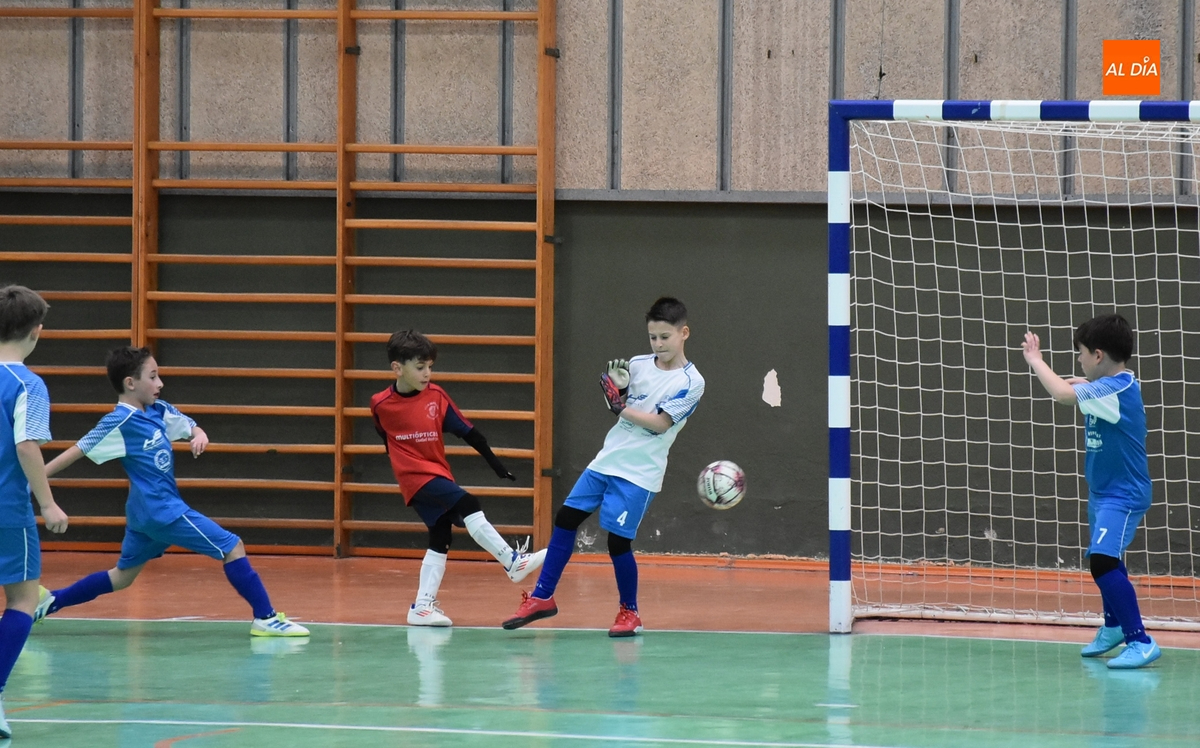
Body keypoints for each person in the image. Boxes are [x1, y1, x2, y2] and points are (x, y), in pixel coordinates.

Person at [33, 346, 309, 638]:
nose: (160, 383)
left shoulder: (158, 410)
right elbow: (76, 451)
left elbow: (189, 426)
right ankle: (266, 618)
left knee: (122, 577)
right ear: (130, 383)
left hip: (144, 516)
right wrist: (33, 480)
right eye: (152, 376)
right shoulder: (119, 422)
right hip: (163, 511)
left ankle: (51, 601)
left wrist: (199, 434)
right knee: (232, 547)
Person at [504, 297, 705, 637]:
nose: (657, 344)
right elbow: (621, 403)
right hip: (607, 459)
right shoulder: (639, 364)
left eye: (665, 337)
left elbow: (659, 424)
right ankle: (542, 597)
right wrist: (621, 389)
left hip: (639, 473)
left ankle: (630, 612)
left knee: (617, 543)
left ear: (683, 333)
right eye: (652, 337)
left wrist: (619, 406)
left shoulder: (691, 381)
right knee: (565, 519)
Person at [371, 330, 546, 627]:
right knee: (468, 503)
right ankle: (512, 561)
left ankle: (422, 607)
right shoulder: (380, 404)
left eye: (430, 367)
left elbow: (469, 433)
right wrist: (403, 467)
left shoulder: (436, 397)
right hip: (414, 477)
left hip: (436, 470)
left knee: (441, 535)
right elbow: (386, 437)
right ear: (397, 368)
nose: (427, 373)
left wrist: (496, 465)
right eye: (420, 367)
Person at [1022, 314, 1159, 669]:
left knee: (1101, 562)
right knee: (1109, 559)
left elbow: (1062, 394)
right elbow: (1082, 386)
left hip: (1123, 495)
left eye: (1081, 353)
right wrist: (1083, 381)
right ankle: (1113, 627)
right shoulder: (1117, 383)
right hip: (1103, 492)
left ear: (1098, 355)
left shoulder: (1111, 390)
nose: (1079, 360)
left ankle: (1140, 641)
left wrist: (1036, 360)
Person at [0, 285, 69, 739]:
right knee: (24, 600)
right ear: (36, 331)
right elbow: (26, 445)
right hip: (8, 509)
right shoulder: (28, 384)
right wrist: (46, 502)